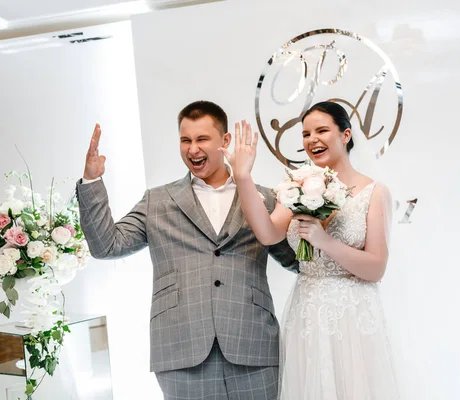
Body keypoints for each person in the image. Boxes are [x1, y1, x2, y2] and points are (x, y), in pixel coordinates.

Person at [76, 100, 299, 400]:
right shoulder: (157, 201)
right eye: (185, 140)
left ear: (225, 141)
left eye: (202, 139)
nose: (192, 149)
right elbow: (106, 245)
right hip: (181, 349)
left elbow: (296, 261)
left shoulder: (267, 199)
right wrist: (92, 180)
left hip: (254, 346)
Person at [222, 101, 400, 399]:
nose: (311, 140)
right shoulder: (298, 184)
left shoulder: (374, 192)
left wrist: (324, 241)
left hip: (352, 315)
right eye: (305, 134)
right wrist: (242, 177)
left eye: (321, 130)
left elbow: (376, 268)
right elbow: (267, 233)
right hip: (307, 310)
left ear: (345, 135)